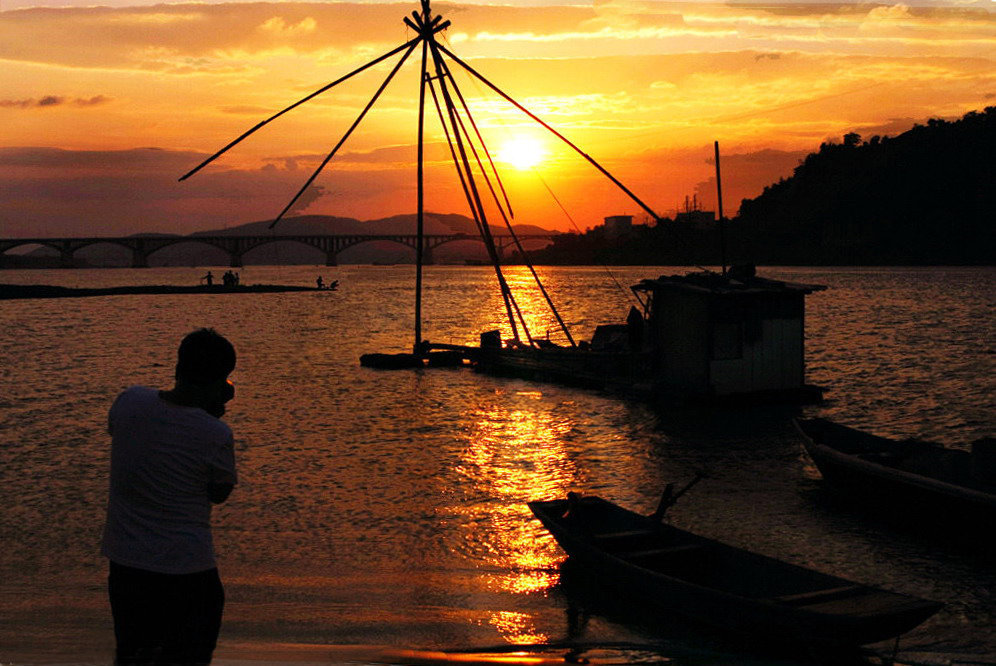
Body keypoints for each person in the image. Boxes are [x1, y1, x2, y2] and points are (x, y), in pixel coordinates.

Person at [102, 328, 238, 665]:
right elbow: (219, 493)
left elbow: (124, 431)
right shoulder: (215, 433)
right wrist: (207, 417)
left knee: (133, 656)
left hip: (127, 570)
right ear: (220, 381)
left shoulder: (129, 402)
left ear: (178, 367)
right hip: (188, 573)